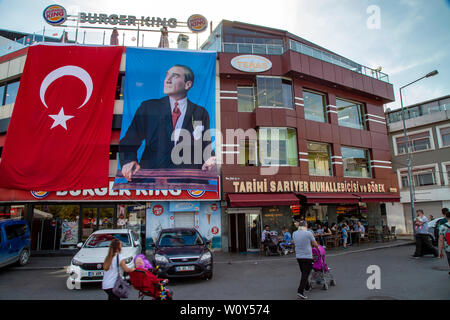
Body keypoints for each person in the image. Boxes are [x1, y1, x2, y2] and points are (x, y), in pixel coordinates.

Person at [119, 64, 216, 182]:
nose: (167, 80)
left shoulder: (200, 112)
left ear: (188, 84)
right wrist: (128, 161)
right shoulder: (149, 107)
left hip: (189, 182)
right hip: (151, 180)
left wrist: (211, 158)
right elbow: (129, 140)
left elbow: (205, 145)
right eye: (167, 76)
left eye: (174, 76)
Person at [293, 221, 319, 300]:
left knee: (303, 272)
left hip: (298, 256)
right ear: (305, 226)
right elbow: (315, 244)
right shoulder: (308, 233)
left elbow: (294, 242)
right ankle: (300, 291)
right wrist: (318, 247)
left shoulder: (294, 233)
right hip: (307, 256)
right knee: (305, 273)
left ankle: (307, 287)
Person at [437, 209, 450, 275]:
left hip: (448, 247)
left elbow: (441, 240)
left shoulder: (442, 227)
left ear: (446, 217)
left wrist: (440, 251)